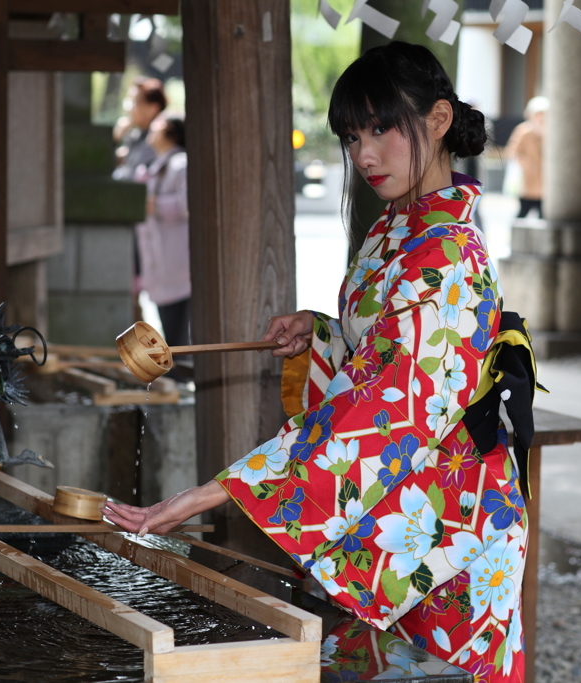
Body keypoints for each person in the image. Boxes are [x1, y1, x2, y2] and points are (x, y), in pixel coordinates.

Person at [104, 41, 529, 683]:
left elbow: (386, 405)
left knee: (440, 672)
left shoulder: (444, 255)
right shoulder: (399, 226)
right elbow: (391, 349)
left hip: (452, 524)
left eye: (383, 128)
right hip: (407, 505)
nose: (364, 154)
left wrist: (220, 490)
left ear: (439, 119)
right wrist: (324, 334)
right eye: (353, 135)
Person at [135, 113, 190, 348]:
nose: (153, 127)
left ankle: (179, 367)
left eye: (159, 125)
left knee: (177, 322)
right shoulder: (156, 163)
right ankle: (175, 366)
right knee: (167, 319)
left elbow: (188, 204)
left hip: (175, 256)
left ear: (171, 133)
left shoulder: (180, 164)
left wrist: (155, 205)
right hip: (161, 256)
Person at [112, 77, 167, 182]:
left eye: (134, 102)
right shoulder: (135, 135)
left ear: (152, 108)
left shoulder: (160, 139)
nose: (128, 108)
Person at [505, 96, 547, 219]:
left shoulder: (549, 131)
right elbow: (512, 151)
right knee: (523, 212)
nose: (541, 117)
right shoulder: (523, 130)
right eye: (538, 114)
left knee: (543, 215)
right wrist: (524, 164)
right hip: (527, 180)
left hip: (543, 182)